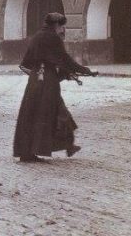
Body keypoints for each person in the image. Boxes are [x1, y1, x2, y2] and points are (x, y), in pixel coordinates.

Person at [13, 12, 97, 163]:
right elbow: (65, 60)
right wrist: (85, 70)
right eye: (63, 26)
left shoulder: (37, 37)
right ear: (56, 25)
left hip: (34, 81)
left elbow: (26, 63)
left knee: (32, 114)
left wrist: (41, 74)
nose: (63, 30)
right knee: (57, 112)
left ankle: (28, 152)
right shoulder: (54, 38)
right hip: (48, 83)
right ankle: (67, 144)